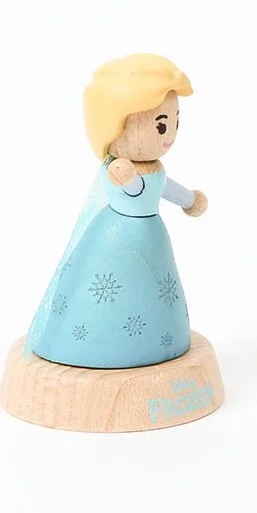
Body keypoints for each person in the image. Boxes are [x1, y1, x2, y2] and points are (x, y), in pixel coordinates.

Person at [27, 53, 208, 369]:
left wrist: (189, 200)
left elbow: (163, 187)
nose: (169, 136)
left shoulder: (155, 170)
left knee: (152, 287)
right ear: (116, 127)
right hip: (118, 238)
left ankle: (154, 342)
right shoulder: (119, 170)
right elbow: (136, 189)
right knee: (114, 288)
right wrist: (129, 179)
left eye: (173, 122)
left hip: (151, 237)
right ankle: (104, 345)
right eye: (160, 125)